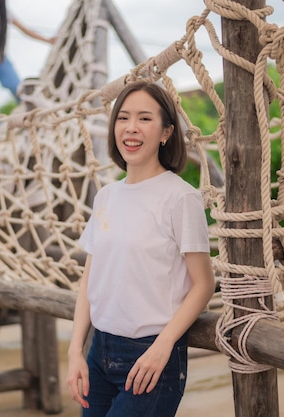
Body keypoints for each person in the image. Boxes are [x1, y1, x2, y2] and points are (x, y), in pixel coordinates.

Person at [66, 80, 215, 417]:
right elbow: (90, 280)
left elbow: (204, 284)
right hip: (98, 352)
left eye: (145, 119)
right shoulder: (106, 195)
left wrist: (163, 347)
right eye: (123, 118)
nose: (131, 128)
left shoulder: (181, 197)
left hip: (151, 356)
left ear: (166, 133)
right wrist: (75, 351)